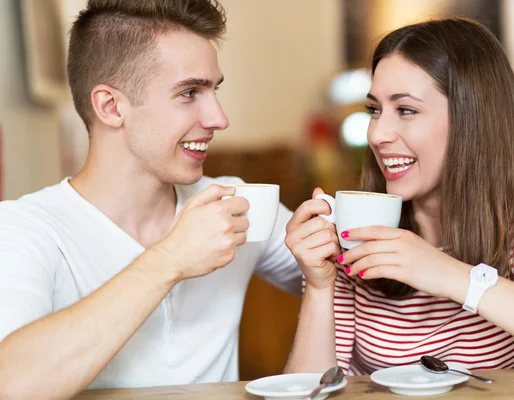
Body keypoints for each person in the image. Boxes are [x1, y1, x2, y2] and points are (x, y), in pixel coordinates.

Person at [0, 1, 302, 398]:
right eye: (190, 92)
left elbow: (358, 284)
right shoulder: (26, 229)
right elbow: (10, 383)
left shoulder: (233, 201)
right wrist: (170, 259)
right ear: (110, 107)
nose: (218, 119)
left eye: (214, 90)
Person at [284, 18, 514, 381]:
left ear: (472, 119)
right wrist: (321, 287)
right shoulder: (354, 226)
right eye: (374, 110)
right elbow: (309, 390)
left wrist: (454, 277)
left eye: (405, 110)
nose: (378, 133)